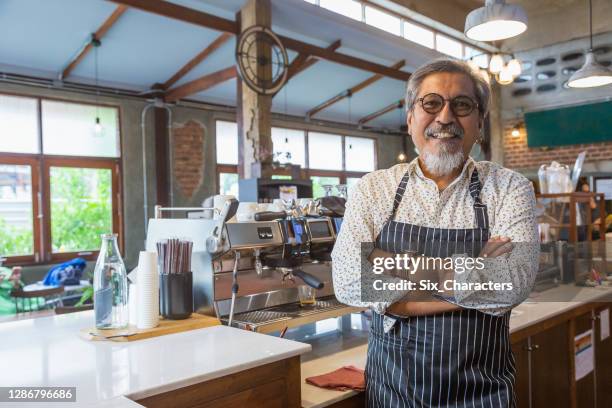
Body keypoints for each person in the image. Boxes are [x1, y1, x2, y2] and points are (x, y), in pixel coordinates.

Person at [332, 58, 538, 407]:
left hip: (482, 394)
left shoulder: (509, 188)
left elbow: (513, 283)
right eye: (431, 103)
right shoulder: (374, 189)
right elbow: (348, 279)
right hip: (392, 393)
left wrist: (393, 274)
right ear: (411, 118)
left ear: (479, 123)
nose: (445, 118)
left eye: (462, 105)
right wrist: (474, 280)